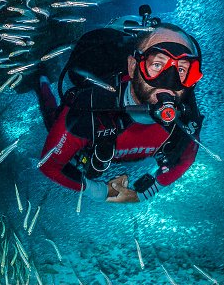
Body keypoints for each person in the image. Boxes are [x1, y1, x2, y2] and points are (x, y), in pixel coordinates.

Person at [36, 19, 204, 203]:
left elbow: (186, 160)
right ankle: (41, 80)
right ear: (133, 67)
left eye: (181, 69)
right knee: (53, 120)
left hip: (110, 157)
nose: (169, 82)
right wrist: (98, 191)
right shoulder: (90, 105)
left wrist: (144, 193)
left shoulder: (186, 115)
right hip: (93, 146)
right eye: (157, 65)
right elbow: (49, 165)